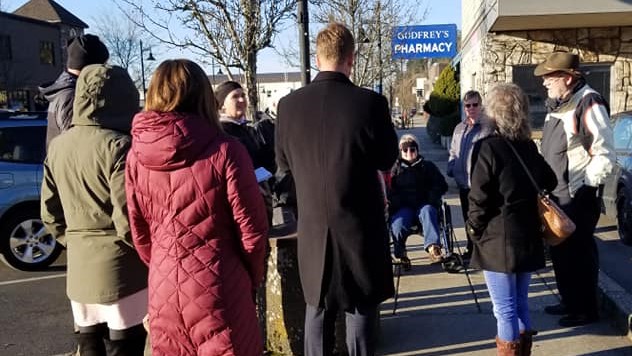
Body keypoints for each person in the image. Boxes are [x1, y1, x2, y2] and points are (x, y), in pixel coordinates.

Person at [125, 59, 269, 355]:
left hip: (164, 287)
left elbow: (139, 232)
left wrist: (166, 266)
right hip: (220, 284)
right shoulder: (227, 151)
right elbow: (252, 233)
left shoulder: (136, 157)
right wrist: (250, 280)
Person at [275, 22, 398, 356]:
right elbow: (387, 159)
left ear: (318, 57)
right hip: (359, 227)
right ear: (351, 58)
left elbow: (283, 167)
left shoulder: (288, 107)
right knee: (360, 313)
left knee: (316, 311)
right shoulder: (370, 103)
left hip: (313, 229)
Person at [40, 64, 148, 355]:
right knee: (125, 344)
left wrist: (73, 239)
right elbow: (128, 218)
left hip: (79, 264)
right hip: (123, 265)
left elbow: (50, 213)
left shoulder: (59, 146)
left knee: (88, 343)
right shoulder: (121, 145)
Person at [465, 83, 557, 356]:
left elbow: (478, 198)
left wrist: (473, 229)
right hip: (527, 235)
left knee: (504, 311)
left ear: (493, 112)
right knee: (520, 303)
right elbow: (549, 180)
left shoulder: (488, 148)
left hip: (497, 241)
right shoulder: (527, 146)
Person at [534, 51, 615, 327]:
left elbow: (604, 152)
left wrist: (587, 190)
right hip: (557, 195)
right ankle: (569, 301)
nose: (544, 83)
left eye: (549, 77)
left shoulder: (588, 102)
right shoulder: (558, 105)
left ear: (567, 79)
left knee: (579, 255)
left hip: (578, 195)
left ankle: (585, 310)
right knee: (561, 253)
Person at [215, 80, 276, 222]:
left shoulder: (246, 130)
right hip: (240, 207)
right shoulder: (221, 134)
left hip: (258, 200)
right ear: (222, 105)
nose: (242, 100)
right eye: (235, 97)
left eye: (243, 95)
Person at [447, 90, 494, 260]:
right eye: (468, 105)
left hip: (480, 183)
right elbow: (453, 150)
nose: (471, 108)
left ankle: (483, 251)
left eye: (475, 104)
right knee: (467, 217)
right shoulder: (459, 128)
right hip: (463, 183)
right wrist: (451, 167)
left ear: (481, 106)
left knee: (480, 217)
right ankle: (471, 249)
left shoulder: (488, 128)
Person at [388, 134, 448, 265]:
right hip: (404, 206)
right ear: (400, 151)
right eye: (405, 150)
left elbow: (441, 185)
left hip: (423, 204)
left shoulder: (428, 167)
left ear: (417, 150)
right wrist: (396, 201)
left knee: (429, 211)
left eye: (412, 149)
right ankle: (400, 251)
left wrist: (432, 198)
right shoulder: (394, 170)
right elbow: (389, 191)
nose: (409, 152)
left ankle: (433, 248)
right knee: (398, 223)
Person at [39, 34, 109, 146]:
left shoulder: (63, 91)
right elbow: (78, 145)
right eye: (103, 65)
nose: (105, 70)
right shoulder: (72, 96)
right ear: (92, 67)